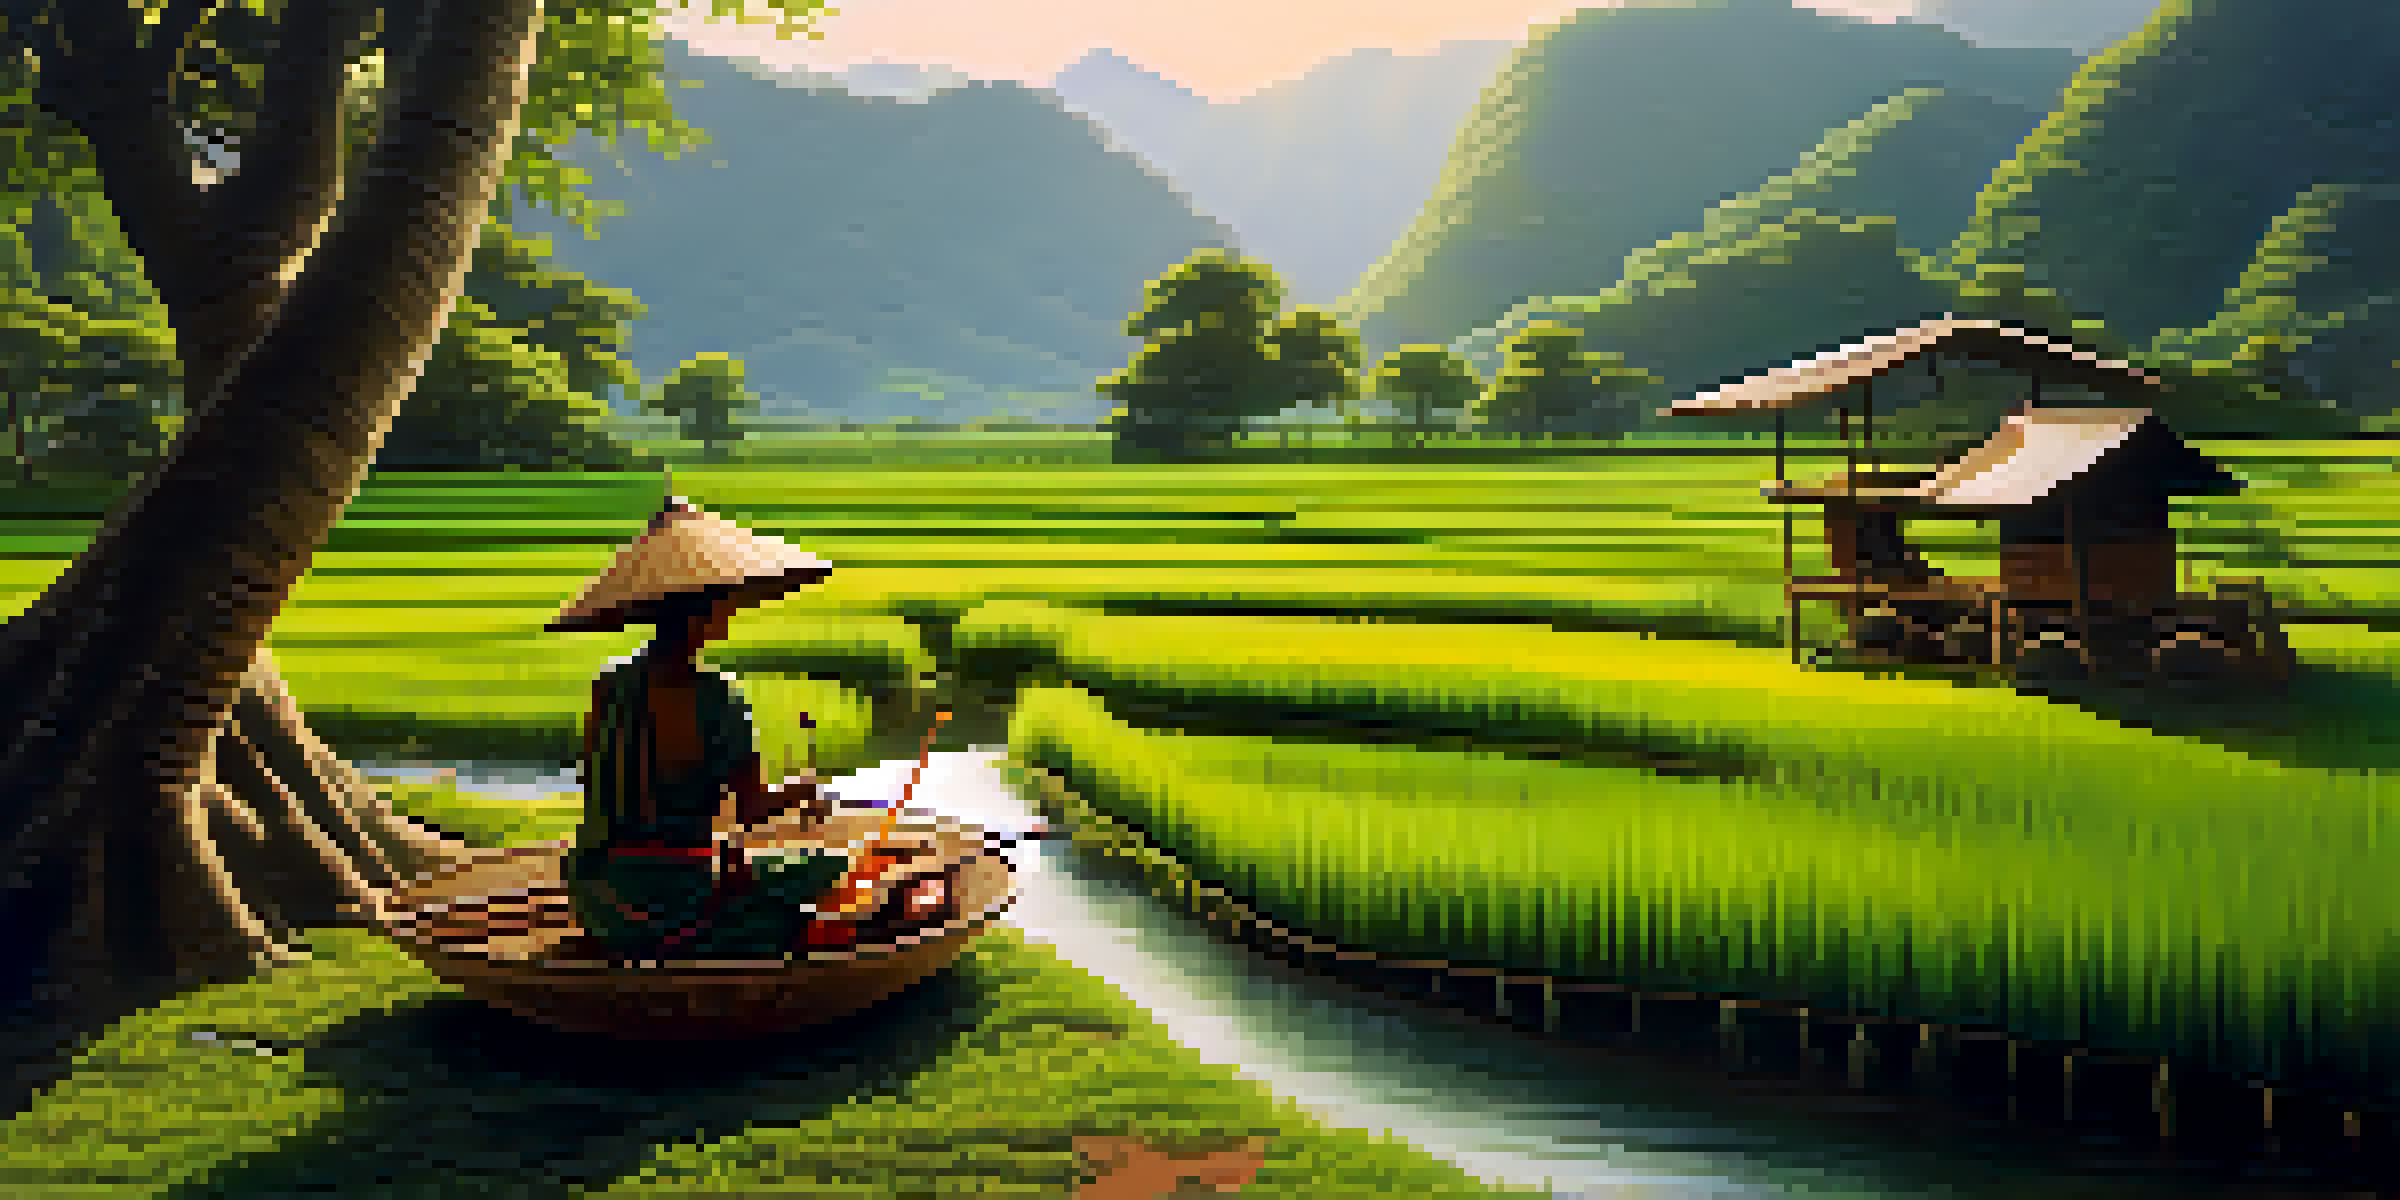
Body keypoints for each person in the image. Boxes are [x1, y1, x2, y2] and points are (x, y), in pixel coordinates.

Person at [545, 493, 944, 960]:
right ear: (703, 611)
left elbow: (598, 783)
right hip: (674, 904)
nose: (732, 610)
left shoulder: (609, 684)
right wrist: (802, 789)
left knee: (750, 871)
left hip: (596, 896)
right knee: (826, 870)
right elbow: (752, 811)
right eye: (726, 601)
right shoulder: (716, 697)